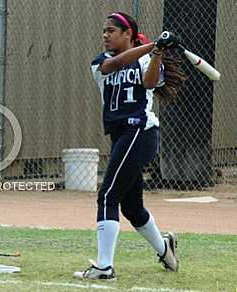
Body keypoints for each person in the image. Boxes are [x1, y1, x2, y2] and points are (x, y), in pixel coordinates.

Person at [74, 12, 186, 280]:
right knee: (132, 207)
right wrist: (154, 44)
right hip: (121, 135)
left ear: (128, 35)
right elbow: (115, 65)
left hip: (140, 131)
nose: (105, 35)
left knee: (107, 196)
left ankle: (104, 267)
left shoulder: (148, 58)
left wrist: (156, 52)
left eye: (111, 30)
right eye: (104, 31)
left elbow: (149, 82)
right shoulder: (100, 62)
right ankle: (165, 249)